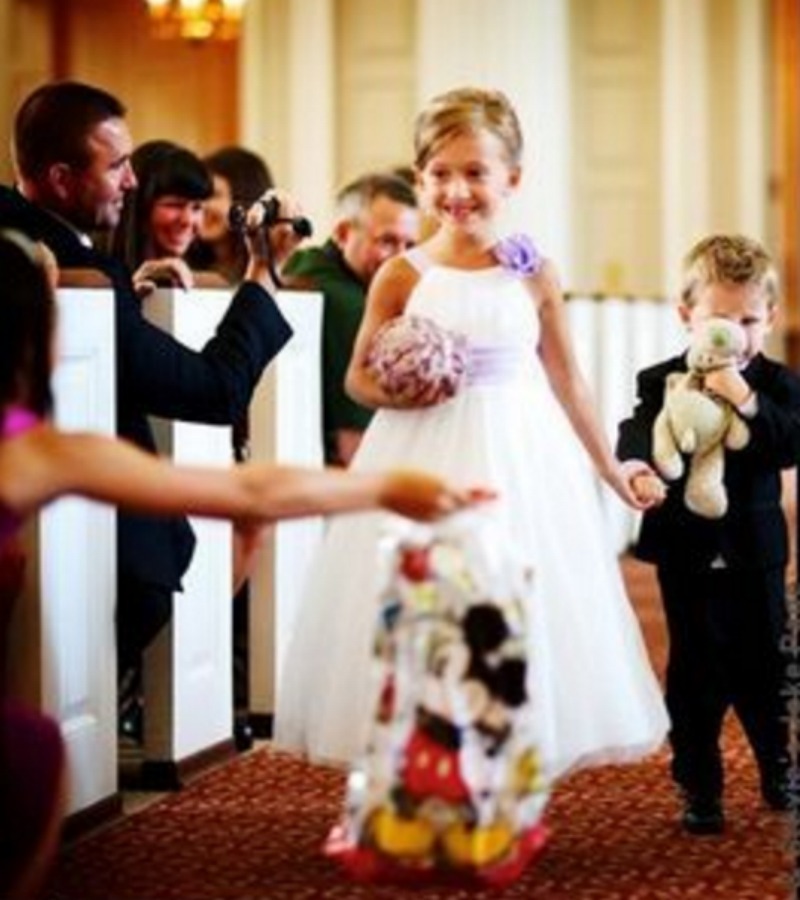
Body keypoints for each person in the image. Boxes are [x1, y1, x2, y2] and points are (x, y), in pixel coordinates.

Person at [0, 228, 482, 899]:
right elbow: (250, 490)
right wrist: (387, 488)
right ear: (28, 337)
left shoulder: (34, 449)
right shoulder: (32, 454)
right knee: (31, 755)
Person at [275, 87, 669, 785]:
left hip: (521, 455)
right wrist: (404, 384)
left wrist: (612, 471)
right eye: (439, 173)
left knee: (516, 601)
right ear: (420, 179)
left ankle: (506, 766)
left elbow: (568, 380)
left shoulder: (533, 271)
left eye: (475, 172)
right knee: (424, 602)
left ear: (512, 178)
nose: (456, 189)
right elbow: (357, 381)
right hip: (421, 452)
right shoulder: (403, 274)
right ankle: (430, 762)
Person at [0, 81, 296, 745]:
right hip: (76, 516)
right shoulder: (80, 273)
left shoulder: (28, 241)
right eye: (116, 166)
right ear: (59, 177)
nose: (131, 181)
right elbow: (212, 393)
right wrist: (259, 273)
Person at [617, 234, 799, 834]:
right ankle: (700, 786)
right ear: (686, 315)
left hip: (756, 555)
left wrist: (743, 398)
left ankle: (777, 766)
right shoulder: (660, 378)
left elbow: (788, 443)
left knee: (767, 671)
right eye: (721, 318)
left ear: (770, 318)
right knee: (694, 673)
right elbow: (638, 429)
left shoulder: (775, 383)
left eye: (750, 319)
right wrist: (638, 467)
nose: (736, 333)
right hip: (686, 551)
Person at [282, 172, 420, 466]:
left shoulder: (303, 262)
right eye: (387, 241)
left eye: (410, 245)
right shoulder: (351, 306)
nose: (400, 260)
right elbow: (354, 446)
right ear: (343, 233)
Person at [108, 139, 212, 296]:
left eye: (197, 207)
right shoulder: (102, 277)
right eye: (174, 205)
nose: (188, 220)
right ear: (139, 207)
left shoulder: (208, 280)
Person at [189, 145, 275, 285]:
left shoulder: (278, 271)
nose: (200, 206)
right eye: (199, 195)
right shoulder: (186, 266)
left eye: (214, 195)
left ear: (246, 201)